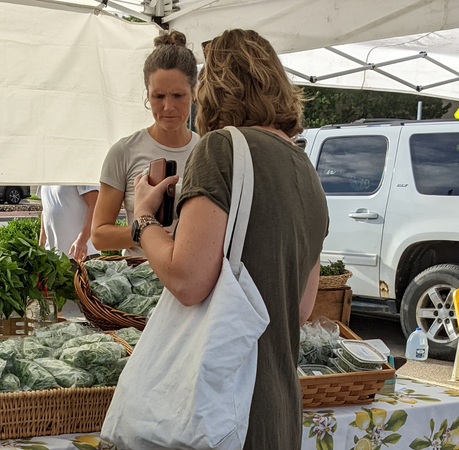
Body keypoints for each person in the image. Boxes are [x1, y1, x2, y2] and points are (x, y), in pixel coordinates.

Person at [132, 29, 329, 449]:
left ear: (215, 87)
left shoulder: (222, 148)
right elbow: (300, 309)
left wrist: (143, 217)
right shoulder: (307, 170)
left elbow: (186, 280)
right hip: (276, 410)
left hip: (220, 413)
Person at [91, 30, 199, 257]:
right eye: (158, 96)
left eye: (178, 96)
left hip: (193, 283)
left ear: (194, 93)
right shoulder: (124, 151)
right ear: (147, 94)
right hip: (140, 284)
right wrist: (148, 230)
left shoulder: (206, 151)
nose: (168, 107)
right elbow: (99, 235)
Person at [38, 186, 99, 261]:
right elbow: (46, 210)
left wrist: (82, 240)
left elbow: (95, 204)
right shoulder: (43, 177)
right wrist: (40, 247)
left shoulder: (81, 174)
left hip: (80, 255)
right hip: (52, 257)